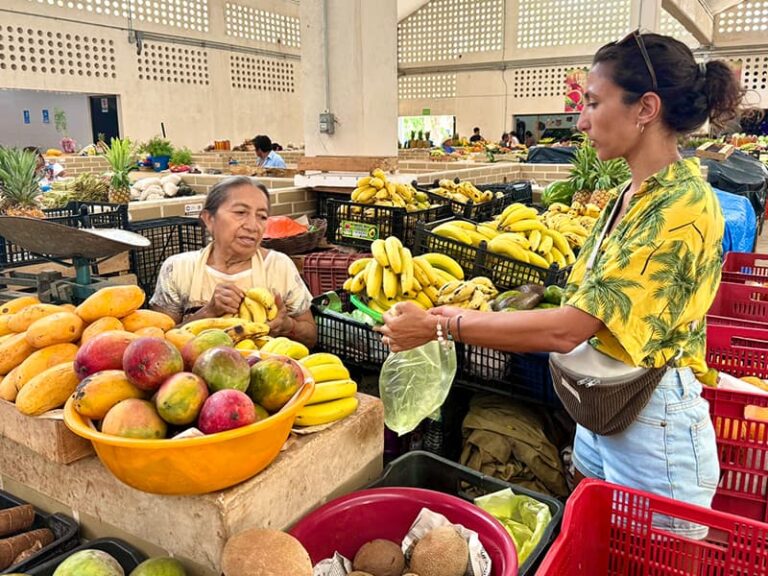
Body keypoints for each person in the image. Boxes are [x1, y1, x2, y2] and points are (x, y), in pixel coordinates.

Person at [377, 31, 742, 537]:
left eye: (593, 102)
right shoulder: (630, 194)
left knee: (646, 557)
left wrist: (445, 327)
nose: (582, 121)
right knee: (595, 542)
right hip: (605, 402)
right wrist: (460, 316)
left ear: (645, 108)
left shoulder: (682, 205)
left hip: (654, 418)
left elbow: (569, 329)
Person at [150, 176, 317, 347]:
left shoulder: (279, 266)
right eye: (240, 213)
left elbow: (311, 338)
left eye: (262, 216)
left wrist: (288, 326)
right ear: (209, 219)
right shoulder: (178, 269)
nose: (253, 226)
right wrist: (208, 312)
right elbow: (158, 343)